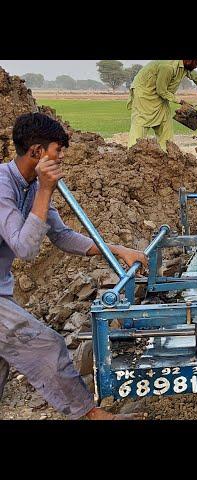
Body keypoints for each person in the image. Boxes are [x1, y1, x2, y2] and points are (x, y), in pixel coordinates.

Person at [0, 113, 148, 419]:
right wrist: (45, 189)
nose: (62, 157)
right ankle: (92, 416)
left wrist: (117, 249)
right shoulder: (4, 186)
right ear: (37, 152)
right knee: (47, 345)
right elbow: (25, 248)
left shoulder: (31, 186)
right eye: (58, 150)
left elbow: (62, 236)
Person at [127, 60, 197, 152]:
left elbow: (196, 77)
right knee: (141, 123)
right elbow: (161, 90)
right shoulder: (167, 66)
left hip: (161, 97)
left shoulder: (185, 67)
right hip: (144, 95)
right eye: (196, 63)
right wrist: (181, 102)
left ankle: (167, 154)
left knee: (165, 123)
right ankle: (133, 153)